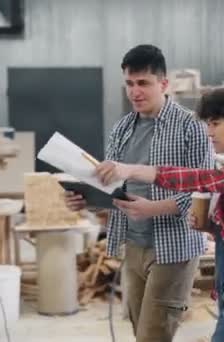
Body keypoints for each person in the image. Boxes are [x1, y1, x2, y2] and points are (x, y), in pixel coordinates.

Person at [95, 86, 224, 342]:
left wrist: (131, 170)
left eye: (215, 124)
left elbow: (197, 178)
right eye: (208, 124)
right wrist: (210, 227)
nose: (209, 132)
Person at [65, 44, 214, 341]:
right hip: (133, 247)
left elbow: (203, 190)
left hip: (173, 248)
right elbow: (112, 189)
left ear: (164, 84)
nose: (135, 92)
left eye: (143, 83)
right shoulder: (121, 128)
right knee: (139, 332)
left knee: (153, 336)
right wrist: (87, 201)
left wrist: (153, 208)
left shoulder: (191, 126)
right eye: (129, 84)